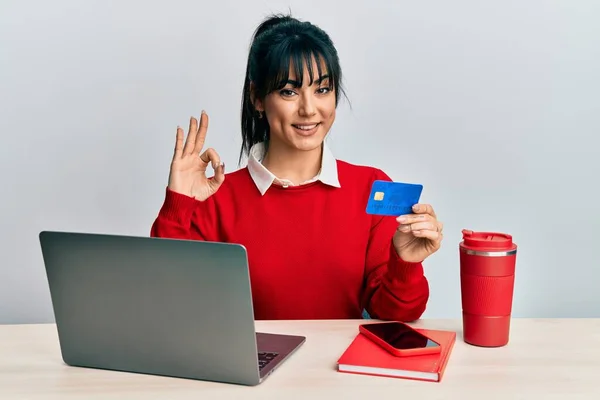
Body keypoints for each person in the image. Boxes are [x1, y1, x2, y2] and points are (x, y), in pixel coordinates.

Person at [151, 14, 444, 321]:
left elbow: (395, 314)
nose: (308, 109)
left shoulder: (373, 187)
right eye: (288, 91)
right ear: (257, 98)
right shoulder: (215, 198)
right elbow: (172, 304)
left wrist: (405, 263)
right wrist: (178, 205)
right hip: (251, 368)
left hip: (339, 368)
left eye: (322, 89)